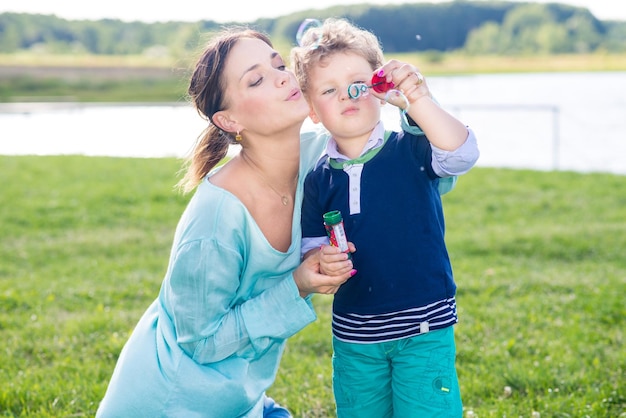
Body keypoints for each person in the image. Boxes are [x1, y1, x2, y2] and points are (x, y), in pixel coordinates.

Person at [96, 27, 355, 418]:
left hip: (240, 401)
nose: (284, 77)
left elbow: (412, 173)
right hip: (171, 402)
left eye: (279, 65)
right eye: (256, 79)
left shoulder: (321, 159)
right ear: (229, 120)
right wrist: (298, 285)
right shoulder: (216, 216)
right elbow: (199, 342)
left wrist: (411, 104)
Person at [291, 18, 480, 418]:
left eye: (358, 83)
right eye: (329, 90)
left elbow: (462, 154)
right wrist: (322, 263)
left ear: (379, 88)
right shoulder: (317, 179)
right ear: (311, 109)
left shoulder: (411, 148)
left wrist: (417, 99)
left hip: (424, 327)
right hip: (355, 336)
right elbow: (310, 251)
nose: (347, 95)